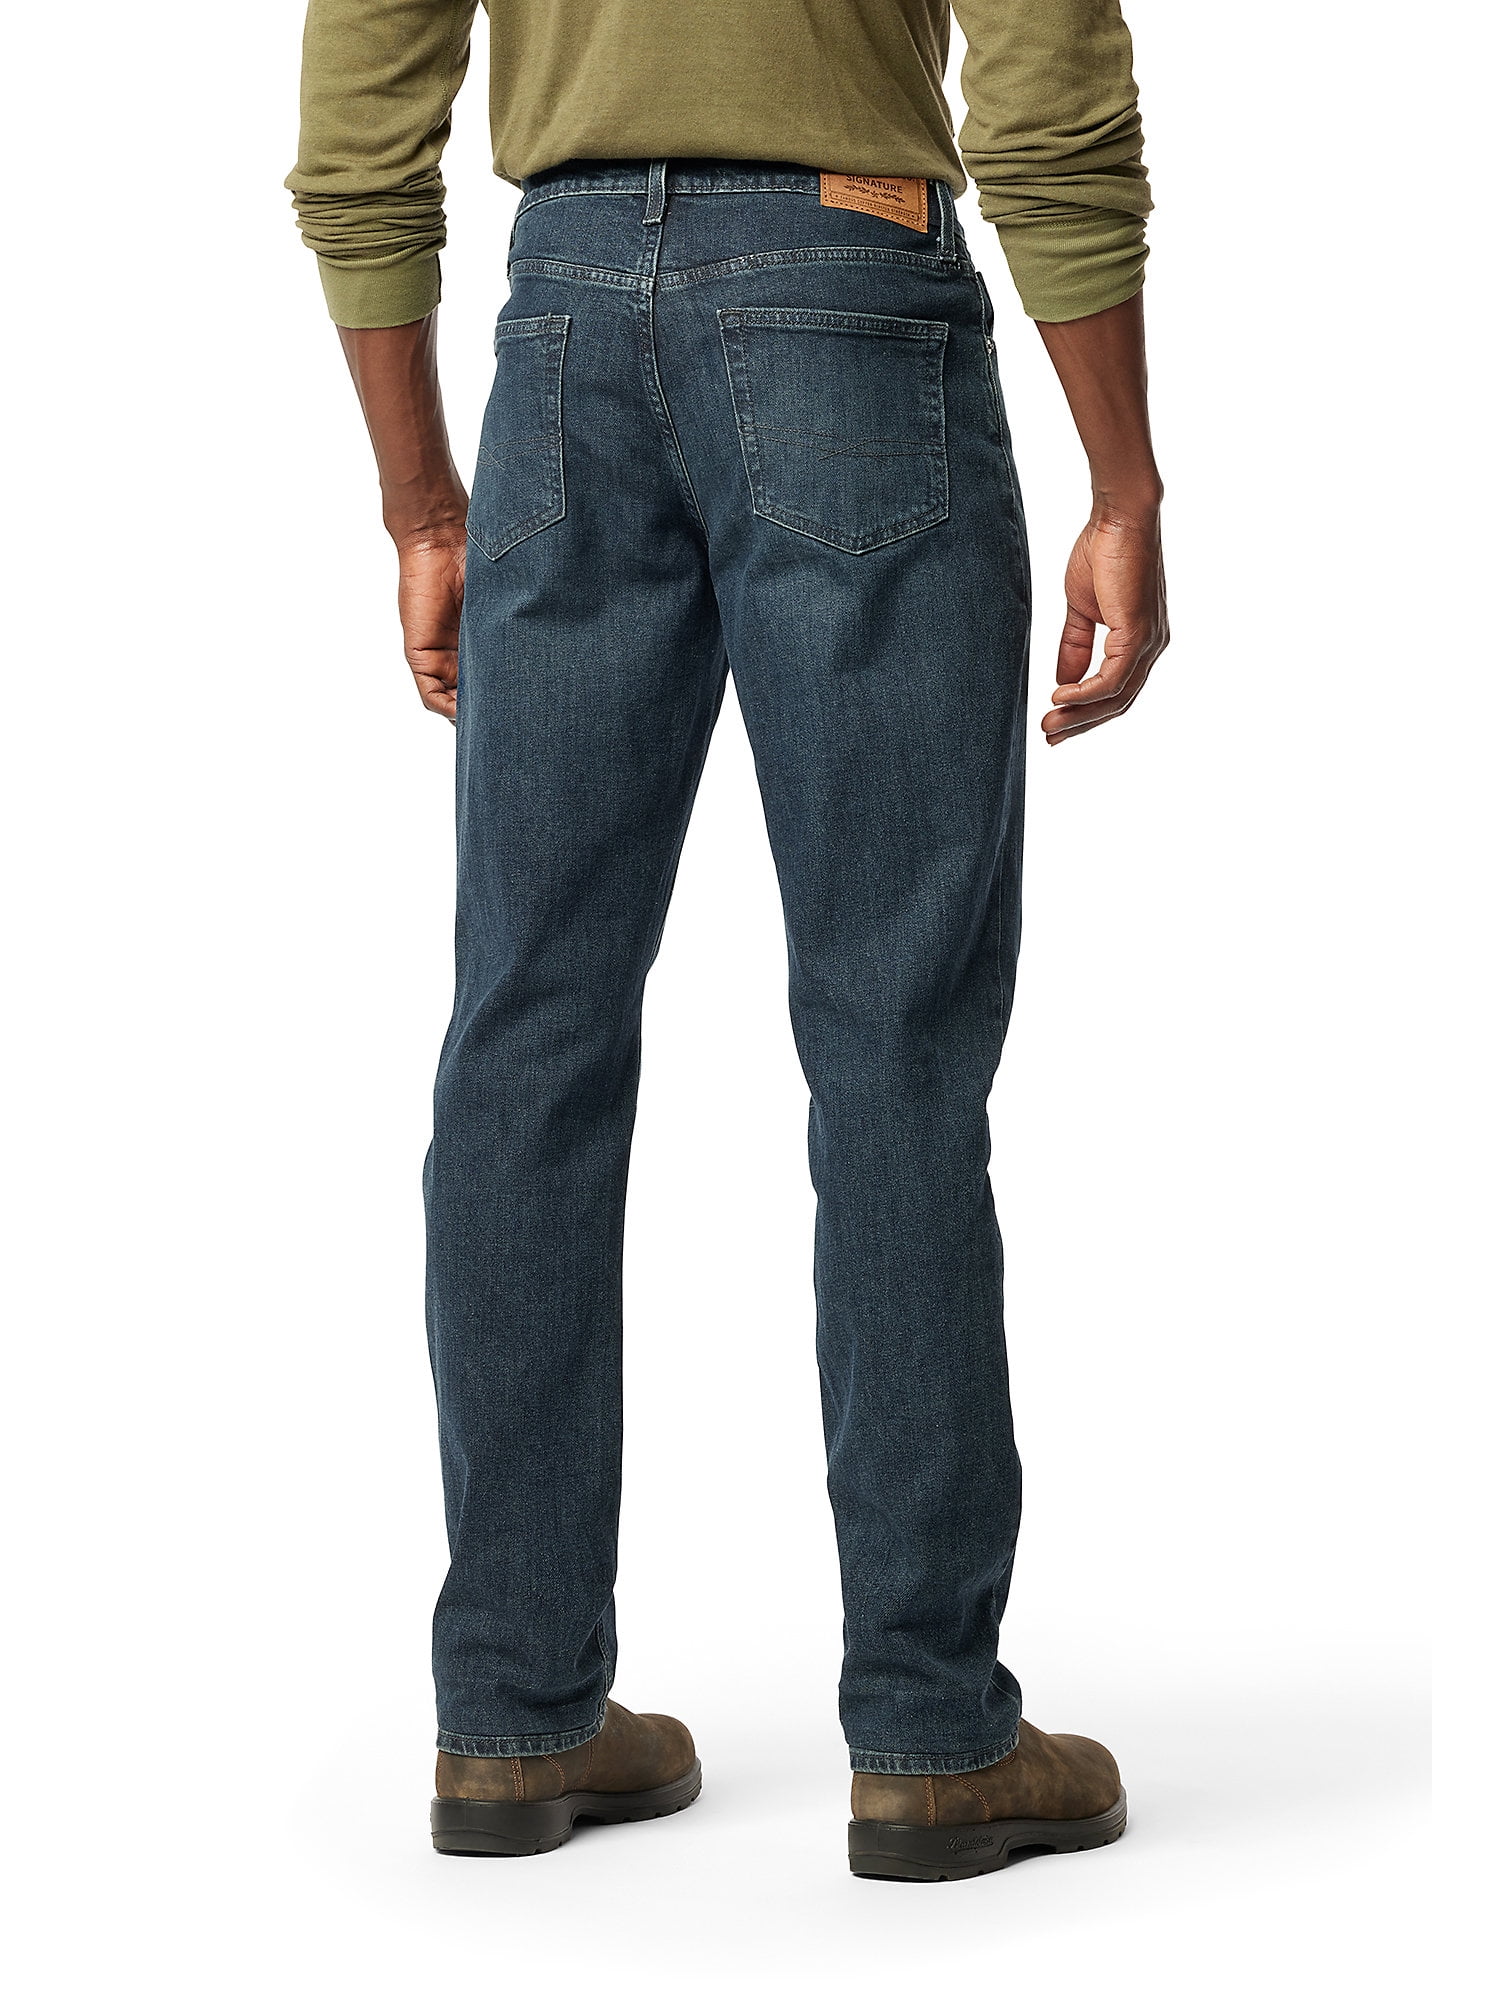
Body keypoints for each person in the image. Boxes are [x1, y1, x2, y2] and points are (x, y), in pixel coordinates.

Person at [287, 0, 1168, 1883]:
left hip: (562, 315)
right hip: (854, 288)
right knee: (893, 1038)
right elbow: (1041, 65)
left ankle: (512, 1718)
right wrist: (1127, 479)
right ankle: (930, 1735)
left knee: (527, 1026)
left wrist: (421, 501)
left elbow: (365, 86)